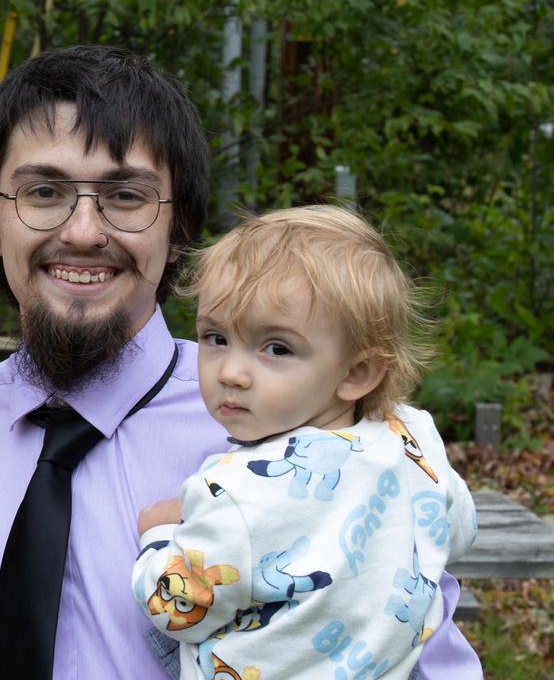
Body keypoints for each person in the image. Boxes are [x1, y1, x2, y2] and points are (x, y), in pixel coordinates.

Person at [0, 45, 482, 680]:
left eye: (126, 196)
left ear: (179, 229)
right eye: (43, 192)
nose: (82, 231)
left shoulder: (315, 434)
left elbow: (415, 645)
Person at [131, 205, 476, 680]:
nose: (231, 372)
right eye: (215, 337)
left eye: (277, 348)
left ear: (356, 373)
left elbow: (174, 610)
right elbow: (457, 531)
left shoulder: (237, 492)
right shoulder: (412, 436)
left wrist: (159, 536)